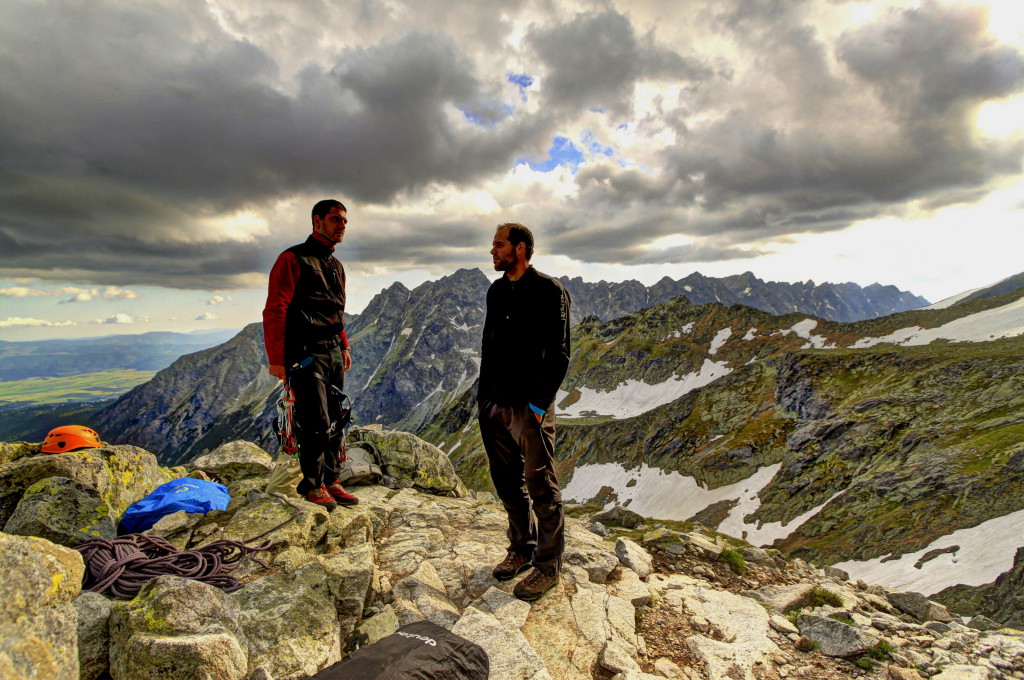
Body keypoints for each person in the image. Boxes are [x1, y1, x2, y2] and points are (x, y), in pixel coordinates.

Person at [478, 222, 571, 602]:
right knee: (506, 482)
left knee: (540, 486)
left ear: (520, 248)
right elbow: (489, 346)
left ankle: (547, 566)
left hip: (529, 407)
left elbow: (560, 353)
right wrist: (484, 400)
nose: (492, 251)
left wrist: (536, 404)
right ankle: (521, 547)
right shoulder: (496, 291)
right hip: (494, 403)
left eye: (499, 245)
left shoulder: (549, 290)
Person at [262, 199, 359, 511]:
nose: (342, 225)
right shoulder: (292, 259)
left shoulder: (336, 265)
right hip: (304, 352)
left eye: (344, 220)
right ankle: (312, 484)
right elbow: (275, 309)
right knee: (315, 420)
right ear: (317, 221)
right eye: (335, 219)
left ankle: (332, 480)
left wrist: (343, 345)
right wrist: (276, 359)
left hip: (331, 350)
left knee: (337, 416)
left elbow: (336, 311)